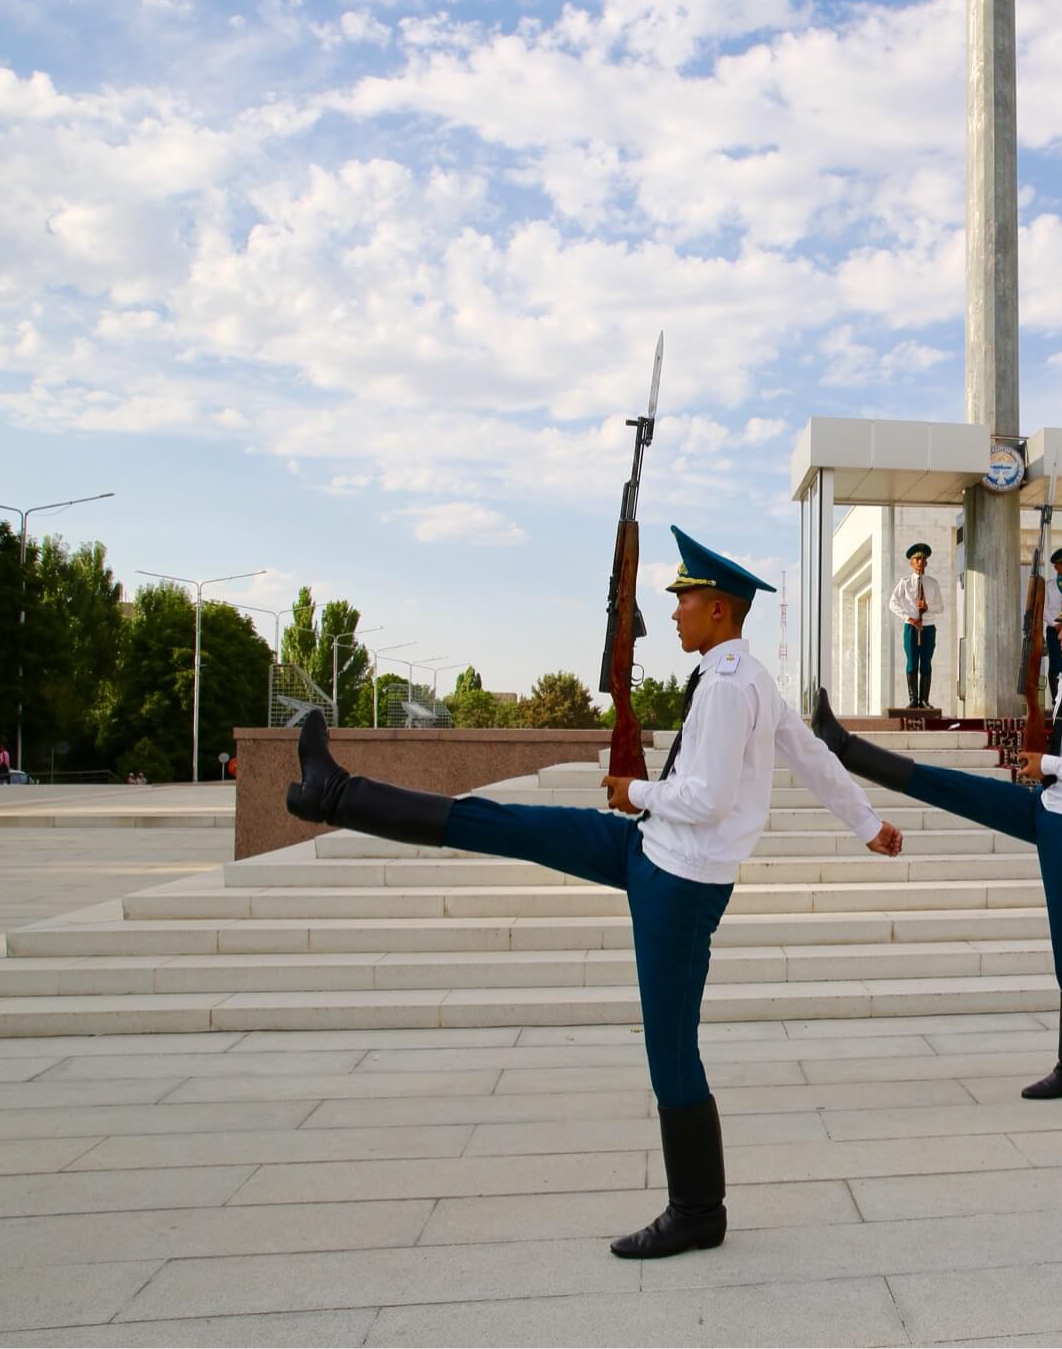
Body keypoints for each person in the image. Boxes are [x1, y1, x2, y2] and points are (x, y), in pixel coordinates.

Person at [285, 528, 905, 1258]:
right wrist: (865, 821)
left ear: (719, 610)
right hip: (650, 850)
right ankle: (338, 793)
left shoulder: (736, 688)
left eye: (685, 600)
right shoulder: (742, 677)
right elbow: (812, 754)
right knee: (506, 824)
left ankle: (698, 1210)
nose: (672, 613)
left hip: (679, 882)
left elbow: (704, 798)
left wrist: (632, 790)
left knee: (671, 1049)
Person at [814, 574, 1062, 1100]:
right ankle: (845, 747)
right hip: (1049, 808)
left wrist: (1048, 762)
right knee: (958, 788)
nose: (1058, 629)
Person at [887, 542, 944, 709]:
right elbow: (892, 603)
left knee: (926, 662)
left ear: (926, 563)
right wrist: (908, 618)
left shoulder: (932, 583)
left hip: (928, 627)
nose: (920, 562)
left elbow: (940, 606)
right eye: (916, 559)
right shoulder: (905, 583)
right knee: (912, 662)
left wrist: (927, 607)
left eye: (923, 559)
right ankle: (913, 699)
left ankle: (924, 700)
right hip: (911, 627)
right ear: (911, 563)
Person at [1042, 547, 1062, 697]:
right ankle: (1056, 700)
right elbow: (1043, 609)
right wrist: (1056, 624)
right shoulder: (1048, 586)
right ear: (1055, 566)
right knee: (1055, 665)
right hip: (1054, 630)